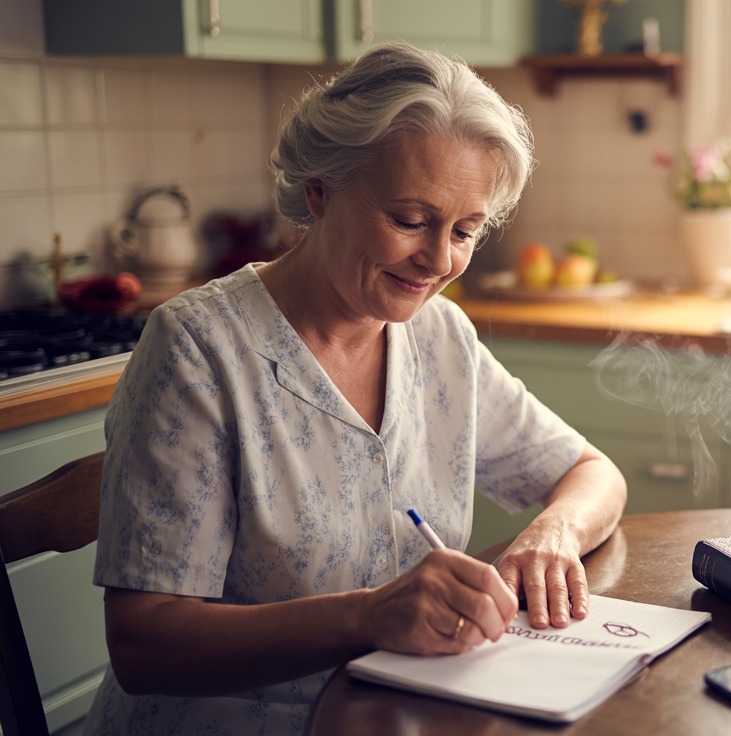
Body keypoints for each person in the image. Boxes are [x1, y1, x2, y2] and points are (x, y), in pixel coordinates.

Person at [84, 41, 627, 734]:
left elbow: (591, 472)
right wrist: (366, 615)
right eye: (410, 220)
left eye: (465, 231)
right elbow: (144, 645)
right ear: (320, 190)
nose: (438, 261)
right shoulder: (198, 349)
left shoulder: (441, 338)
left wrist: (551, 534)